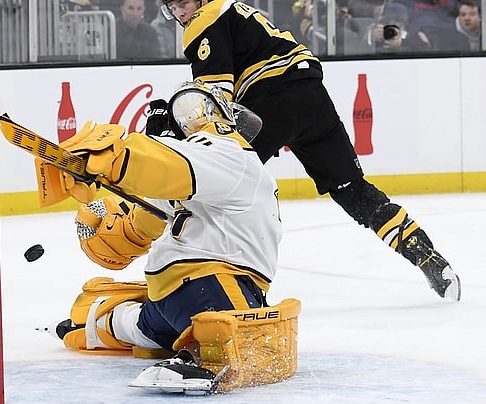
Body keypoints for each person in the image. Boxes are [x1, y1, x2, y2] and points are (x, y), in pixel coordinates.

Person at [153, 0, 460, 300]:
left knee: (215, 183)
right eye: (173, 8)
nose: (180, 13)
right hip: (311, 94)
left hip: (270, 99)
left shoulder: (205, 17)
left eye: (184, 3)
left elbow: (212, 100)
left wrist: (171, 132)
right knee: (353, 190)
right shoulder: (237, 10)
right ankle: (427, 256)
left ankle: (225, 290)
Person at [47, 80, 301, 393]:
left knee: (148, 330)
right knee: (235, 340)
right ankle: (188, 353)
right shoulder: (223, 160)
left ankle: (96, 326)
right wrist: (102, 213)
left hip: (182, 291)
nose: (188, 121)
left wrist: (119, 159)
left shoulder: (227, 156)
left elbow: (159, 181)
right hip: (203, 286)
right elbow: (142, 222)